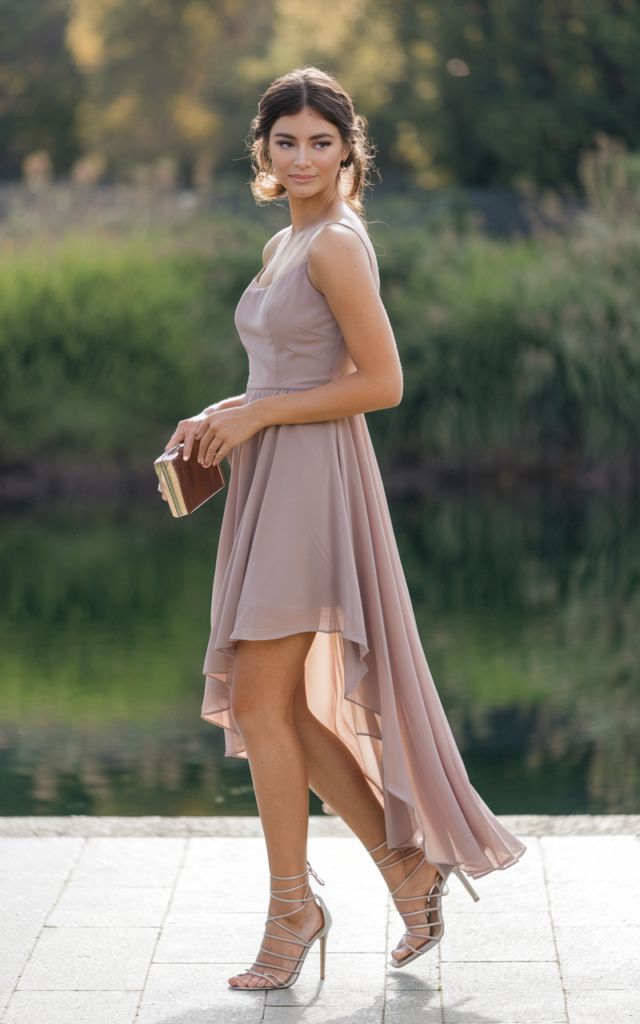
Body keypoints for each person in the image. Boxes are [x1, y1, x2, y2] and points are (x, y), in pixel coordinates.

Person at [164, 66, 525, 991]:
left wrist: (259, 415)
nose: (302, 158)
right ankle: (401, 872)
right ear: (262, 149)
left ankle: (297, 909)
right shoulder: (285, 241)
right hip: (275, 471)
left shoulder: (335, 243)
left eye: (320, 142)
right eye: (285, 141)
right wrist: (226, 411)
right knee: (273, 706)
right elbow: (295, 369)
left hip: (312, 484)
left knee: (260, 702)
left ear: (347, 151)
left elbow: (382, 382)